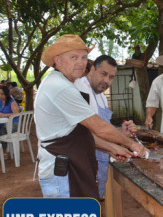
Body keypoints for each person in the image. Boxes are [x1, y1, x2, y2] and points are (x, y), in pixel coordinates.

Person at [35, 34, 147, 199]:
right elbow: (99, 128)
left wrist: (112, 148)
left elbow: (77, 135)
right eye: (73, 57)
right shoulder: (61, 87)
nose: (80, 63)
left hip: (70, 165)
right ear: (57, 60)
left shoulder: (61, 82)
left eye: (84, 57)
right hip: (61, 173)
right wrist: (133, 145)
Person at [74, 55, 137, 199]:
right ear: (92, 70)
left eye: (111, 77)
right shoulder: (81, 89)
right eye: (103, 74)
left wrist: (122, 133)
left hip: (101, 157)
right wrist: (128, 144)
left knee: (96, 201)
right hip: (84, 161)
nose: (107, 81)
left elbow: (105, 129)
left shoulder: (101, 96)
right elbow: (90, 133)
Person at [0, 86, 20, 159]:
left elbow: (16, 113)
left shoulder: (12, 102)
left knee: (2, 131)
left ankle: (4, 152)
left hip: (13, 124)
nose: (0, 96)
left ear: (6, 94)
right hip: (3, 123)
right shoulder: (0, 101)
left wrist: (4, 115)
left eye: (2, 94)